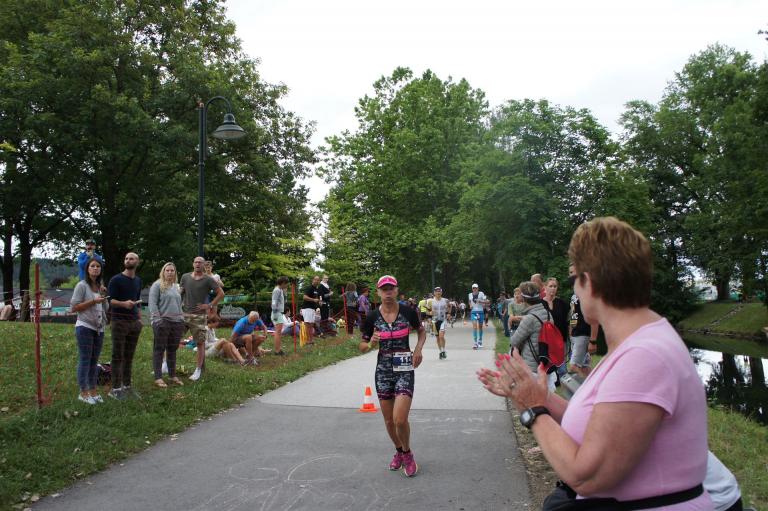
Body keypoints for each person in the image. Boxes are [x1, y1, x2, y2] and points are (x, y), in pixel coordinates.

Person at [478, 217, 712, 509]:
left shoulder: (644, 356)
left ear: (588, 282)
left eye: (574, 280)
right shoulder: (636, 342)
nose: (574, 290)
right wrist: (538, 396)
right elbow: (596, 422)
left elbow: (588, 476)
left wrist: (533, 410)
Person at [360, 275, 426, 478]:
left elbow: (421, 331)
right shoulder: (372, 317)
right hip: (383, 372)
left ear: (396, 291)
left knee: (399, 419)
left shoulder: (408, 312)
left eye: (391, 288)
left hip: (404, 369)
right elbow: (361, 346)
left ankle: (408, 453)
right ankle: (400, 451)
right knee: (389, 421)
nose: (388, 292)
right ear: (378, 292)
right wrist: (370, 342)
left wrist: (418, 349)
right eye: (384, 289)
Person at [70, 257, 108, 404]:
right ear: (87, 269)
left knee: (94, 360)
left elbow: (106, 308)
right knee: (85, 359)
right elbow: (74, 307)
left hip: (99, 327)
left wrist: (104, 296)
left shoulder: (100, 287)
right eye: (92, 266)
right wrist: (93, 301)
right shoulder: (82, 285)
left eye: (98, 266)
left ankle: (93, 390)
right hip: (85, 326)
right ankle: (83, 392)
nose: (95, 268)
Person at [180, 256, 224, 382]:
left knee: (200, 343)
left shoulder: (208, 279)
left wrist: (209, 305)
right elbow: (180, 293)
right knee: (173, 339)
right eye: (196, 262)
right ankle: (167, 365)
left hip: (199, 316)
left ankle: (198, 370)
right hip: (184, 314)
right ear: (193, 264)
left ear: (204, 265)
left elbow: (221, 293)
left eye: (200, 262)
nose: (198, 264)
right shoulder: (185, 277)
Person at [107, 252, 143, 400]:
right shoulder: (116, 280)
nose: (128, 260)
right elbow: (110, 300)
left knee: (129, 355)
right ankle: (115, 389)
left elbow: (137, 301)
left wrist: (139, 319)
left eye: (131, 258)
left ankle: (127, 386)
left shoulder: (138, 281)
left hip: (134, 323)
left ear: (137, 262)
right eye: (126, 258)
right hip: (119, 322)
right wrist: (123, 304)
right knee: (118, 355)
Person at [148, 262, 185, 388]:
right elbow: (152, 304)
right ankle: (158, 377)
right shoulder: (157, 285)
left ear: (175, 273)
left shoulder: (176, 287)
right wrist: (158, 320)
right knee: (159, 349)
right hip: (162, 322)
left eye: (172, 270)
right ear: (163, 272)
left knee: (172, 350)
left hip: (177, 322)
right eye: (167, 270)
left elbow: (179, 304)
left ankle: (172, 375)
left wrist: (181, 318)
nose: (169, 272)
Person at [568, 264, 598, 377]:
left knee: (573, 366)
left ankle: (584, 388)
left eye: (574, 272)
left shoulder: (586, 292)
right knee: (584, 367)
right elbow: (574, 314)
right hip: (575, 334)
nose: (572, 275)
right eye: (570, 272)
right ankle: (596, 385)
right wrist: (571, 330)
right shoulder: (574, 294)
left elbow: (594, 316)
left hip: (583, 334)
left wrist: (593, 340)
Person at [542, 277, 569, 358]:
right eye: (550, 286)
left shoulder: (562, 303)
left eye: (555, 286)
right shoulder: (540, 304)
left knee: (561, 364)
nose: (553, 288)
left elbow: (569, 319)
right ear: (545, 287)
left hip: (561, 339)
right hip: (545, 340)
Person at [429, 287, 451, 360]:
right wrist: (430, 313)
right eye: (436, 291)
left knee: (441, 336)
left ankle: (444, 350)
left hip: (443, 320)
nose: (438, 293)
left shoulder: (445, 300)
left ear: (441, 292)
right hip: (434, 321)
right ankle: (441, 351)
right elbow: (427, 310)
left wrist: (448, 313)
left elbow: (450, 306)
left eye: (439, 291)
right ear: (434, 293)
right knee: (438, 338)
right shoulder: (431, 301)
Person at [270, 276, 289, 355]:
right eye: (286, 283)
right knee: (278, 332)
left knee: (278, 332)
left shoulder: (280, 290)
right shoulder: (277, 290)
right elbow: (274, 302)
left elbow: (284, 302)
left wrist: (285, 294)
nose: (287, 285)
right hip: (277, 313)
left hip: (279, 313)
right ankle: (277, 351)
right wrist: (275, 314)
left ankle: (278, 349)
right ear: (283, 283)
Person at [300, 275, 322, 345]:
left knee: (311, 325)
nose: (317, 281)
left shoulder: (316, 289)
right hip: (307, 308)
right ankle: (308, 340)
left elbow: (316, 300)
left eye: (318, 280)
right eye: (315, 279)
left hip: (312, 309)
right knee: (308, 325)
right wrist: (313, 300)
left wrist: (319, 302)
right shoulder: (309, 288)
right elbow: (304, 297)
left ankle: (311, 340)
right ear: (313, 280)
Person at [468, 283, 488, 349]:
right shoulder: (470, 295)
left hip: (480, 312)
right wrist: (470, 305)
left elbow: (486, 302)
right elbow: (470, 302)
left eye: (476, 288)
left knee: (480, 327)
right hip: (473, 312)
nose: (475, 289)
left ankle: (480, 341)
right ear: (472, 289)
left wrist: (480, 301)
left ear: (478, 288)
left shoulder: (481, 294)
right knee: (474, 326)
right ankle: (475, 342)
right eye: (473, 288)